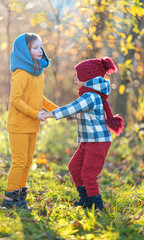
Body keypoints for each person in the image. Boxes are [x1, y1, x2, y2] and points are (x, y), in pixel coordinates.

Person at [42, 57, 124, 211]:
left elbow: (71, 109)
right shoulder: (89, 95)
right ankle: (85, 199)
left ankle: (96, 206)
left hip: (97, 142)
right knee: (74, 167)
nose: (74, 78)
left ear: (88, 79)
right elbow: (76, 112)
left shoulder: (90, 96)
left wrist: (48, 115)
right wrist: (57, 114)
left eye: (77, 75)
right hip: (88, 141)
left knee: (88, 174)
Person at [1, 33, 58, 210]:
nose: (40, 51)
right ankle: (9, 200)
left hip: (32, 125)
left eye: (40, 47)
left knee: (27, 162)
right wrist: (35, 114)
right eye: (35, 48)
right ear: (24, 51)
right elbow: (15, 100)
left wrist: (58, 110)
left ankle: (20, 197)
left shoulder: (37, 73)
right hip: (18, 125)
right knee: (19, 161)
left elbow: (38, 97)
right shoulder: (21, 73)